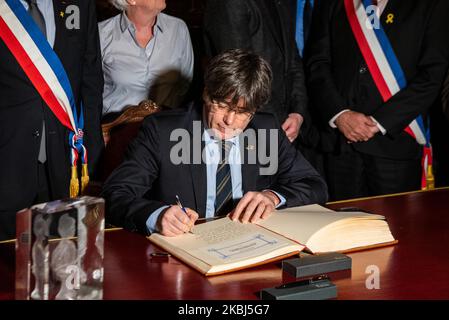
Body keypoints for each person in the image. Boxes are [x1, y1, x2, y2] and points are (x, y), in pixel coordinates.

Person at [101, 49, 328, 237]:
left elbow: (314, 185)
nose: (229, 121)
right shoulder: (163, 131)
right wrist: (157, 215)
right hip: (185, 250)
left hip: (251, 242)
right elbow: (115, 194)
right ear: (206, 93)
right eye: (221, 106)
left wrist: (271, 197)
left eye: (242, 112)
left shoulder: (265, 129)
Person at [306, 0, 449, 201]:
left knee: (396, 227)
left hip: (395, 144)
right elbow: (317, 62)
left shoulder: (432, 5)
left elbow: (432, 75)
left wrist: (379, 122)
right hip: (341, 143)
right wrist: (340, 115)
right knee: (344, 225)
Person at [0, 0, 104, 240]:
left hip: (66, 158)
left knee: (62, 257)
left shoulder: (80, 5)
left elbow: (90, 80)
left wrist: (94, 150)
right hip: (8, 159)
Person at [203, 0, 308, 144]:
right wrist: (273, 125)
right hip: (245, 129)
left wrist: (298, 112)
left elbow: (292, 57)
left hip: (283, 125)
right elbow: (241, 82)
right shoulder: (231, 4)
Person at [99, 0, 194, 117]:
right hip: (116, 129)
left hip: (164, 127)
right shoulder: (101, 34)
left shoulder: (178, 29)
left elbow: (185, 83)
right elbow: (90, 91)